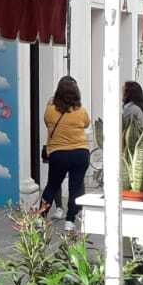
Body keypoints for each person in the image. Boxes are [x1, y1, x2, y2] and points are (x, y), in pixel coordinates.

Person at [43, 76, 92, 226]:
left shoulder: (50, 111)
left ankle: (40, 217)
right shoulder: (82, 111)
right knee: (75, 187)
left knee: (52, 185)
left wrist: (51, 104)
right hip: (80, 153)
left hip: (59, 154)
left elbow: (46, 122)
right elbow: (86, 124)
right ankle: (70, 221)